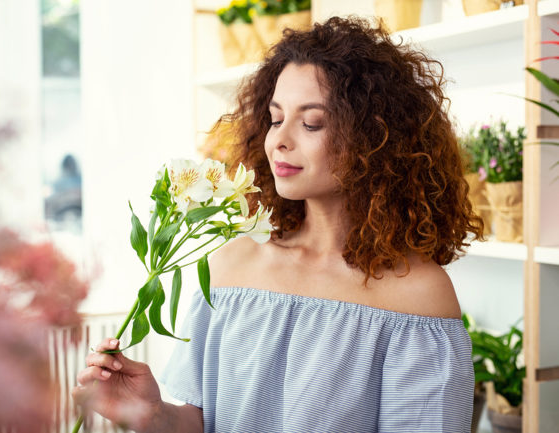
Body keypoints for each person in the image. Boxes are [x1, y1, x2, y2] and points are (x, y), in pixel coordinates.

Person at [72, 16, 483, 433]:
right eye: (274, 118)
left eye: (311, 123)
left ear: (374, 139)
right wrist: (152, 414)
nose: (279, 140)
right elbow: (200, 423)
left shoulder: (418, 297)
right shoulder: (231, 265)